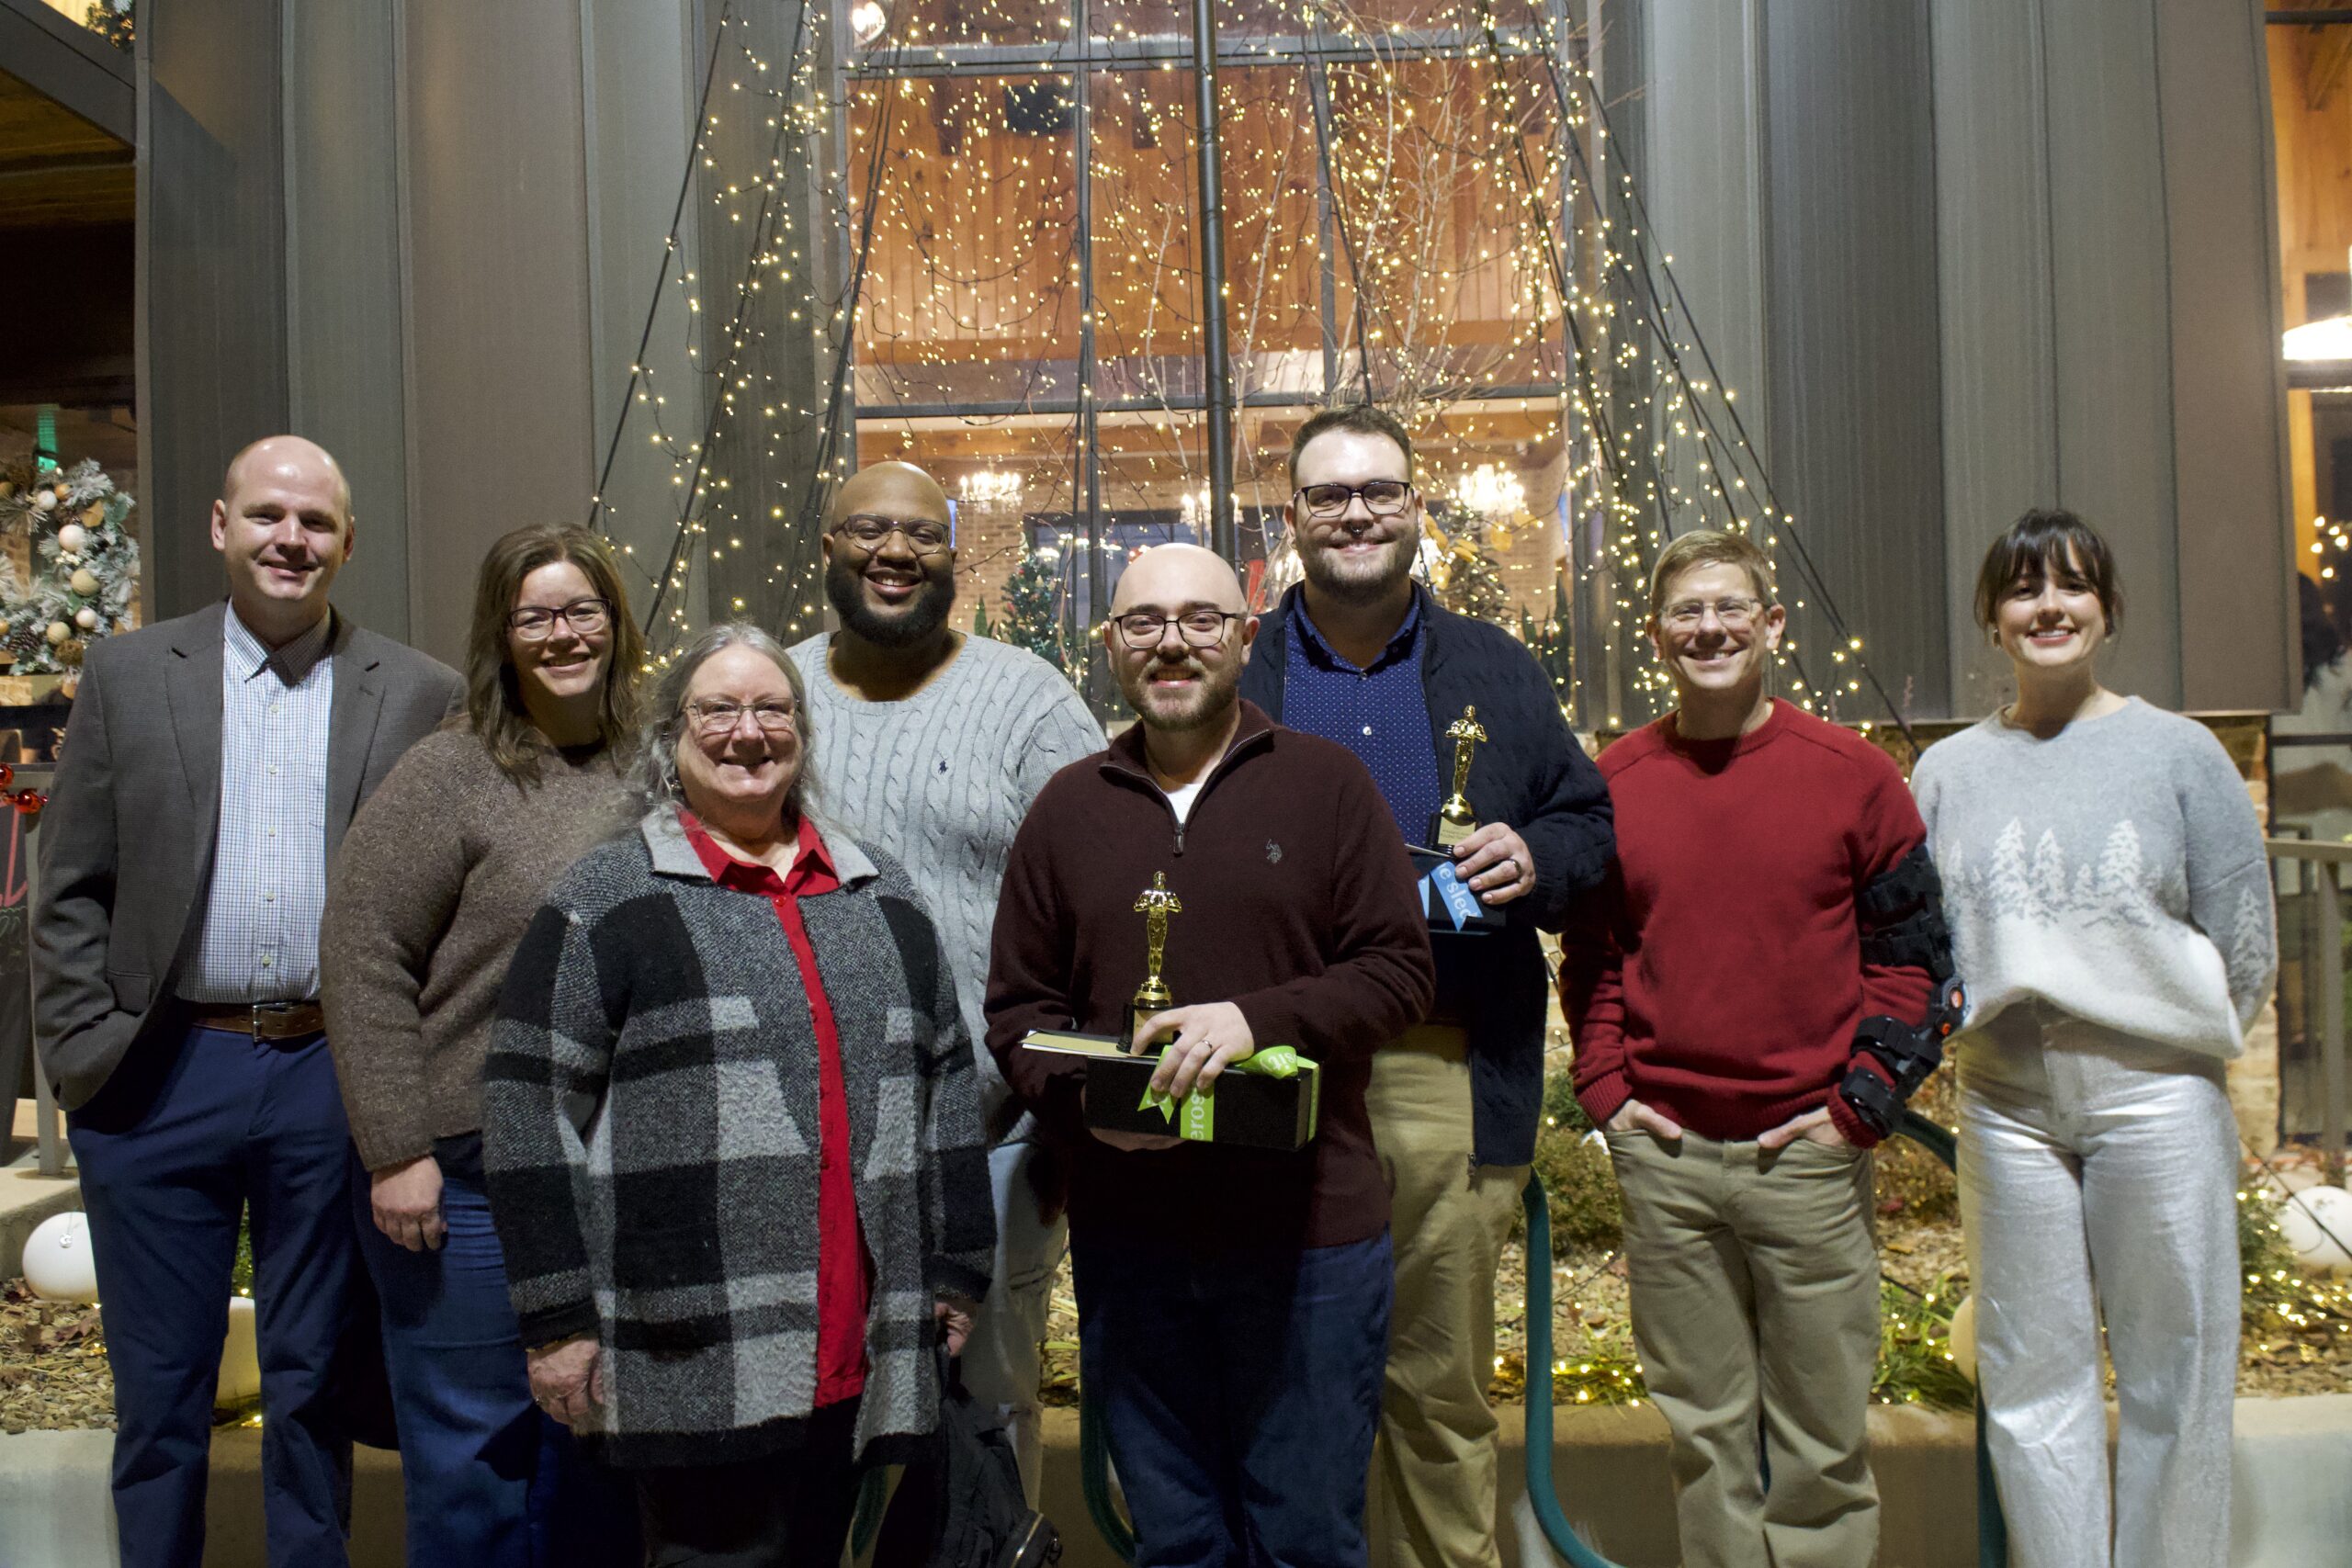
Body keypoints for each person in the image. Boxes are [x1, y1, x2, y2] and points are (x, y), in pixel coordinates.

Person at [33, 436, 464, 1567]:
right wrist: (87, 1048)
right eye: (268, 516)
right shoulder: (132, 675)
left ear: (347, 542)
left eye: (315, 522)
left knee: (312, 1379)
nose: (292, 539)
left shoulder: (420, 693)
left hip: (331, 1075)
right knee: (161, 1396)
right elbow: (69, 885)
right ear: (221, 527)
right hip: (161, 1072)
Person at [481, 623, 994, 1566]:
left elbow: (947, 1087)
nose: (747, 732)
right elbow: (524, 1109)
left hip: (865, 1349)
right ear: (671, 736)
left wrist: (959, 1267)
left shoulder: (879, 895)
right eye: (717, 709)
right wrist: (556, 1321)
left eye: (772, 708)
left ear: (801, 731)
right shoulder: (608, 897)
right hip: (694, 1340)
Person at [987, 544, 1436, 1568]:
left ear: (1244, 633)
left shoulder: (1327, 787)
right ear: (1109, 646)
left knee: (1307, 1542)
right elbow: (1018, 1010)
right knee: (1177, 1541)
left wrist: (1257, 1020)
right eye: (1143, 622)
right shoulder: (1067, 807)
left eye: (1200, 618)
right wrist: (1083, 1107)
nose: (1172, 643)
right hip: (1133, 1243)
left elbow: (1399, 972)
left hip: (1308, 1241)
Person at [1238, 404, 1613, 1568]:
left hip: (1438, 1066)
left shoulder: (1494, 669)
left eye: (1379, 492)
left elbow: (1588, 820)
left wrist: (1538, 857)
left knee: (1436, 1389)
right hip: (1274, 1073)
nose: (1356, 514)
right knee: (1278, 1382)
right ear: (1291, 517)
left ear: (1416, 508)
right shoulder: (1234, 671)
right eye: (1329, 496)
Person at [1560, 528, 1957, 1568]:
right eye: (1686, 612)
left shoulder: (1856, 778)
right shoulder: (1615, 781)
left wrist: (1852, 1114)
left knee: (1822, 1446)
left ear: (1771, 624)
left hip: (1808, 1162)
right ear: (1656, 636)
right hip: (1670, 1162)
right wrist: (1605, 1091)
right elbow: (1591, 958)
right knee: (1704, 1439)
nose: (1709, 628)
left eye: (1730, 607)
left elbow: (1915, 965)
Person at [1911, 510, 2273, 1568]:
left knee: (2177, 1369)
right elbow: (1923, 941)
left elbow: (2243, 942)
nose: (2049, 607)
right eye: (2024, 590)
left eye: (2072, 587)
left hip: (2153, 1091)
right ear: (1992, 617)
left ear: (2105, 609)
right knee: (2030, 1376)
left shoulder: (2179, 753)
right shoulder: (1945, 773)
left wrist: (2171, 1040)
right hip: (2004, 1098)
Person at [319, 525, 643, 1566]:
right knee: (475, 1460)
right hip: (463, 1174)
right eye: (535, 616)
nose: (562, 635)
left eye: (581, 610)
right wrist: (393, 1148)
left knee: (602, 1447)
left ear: (616, 621)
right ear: (500, 637)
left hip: (617, 1164)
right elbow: (362, 955)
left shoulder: (660, 761)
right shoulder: (449, 773)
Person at [786, 460, 1100, 1498]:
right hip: (799, 1147)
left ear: (954, 557)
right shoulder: (768, 698)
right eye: (868, 530)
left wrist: (1069, 1117)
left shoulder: (1026, 699)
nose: (895, 552)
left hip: (995, 1138)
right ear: (827, 549)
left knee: (988, 1416)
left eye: (921, 535)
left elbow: (1101, 907)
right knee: (811, 1416)